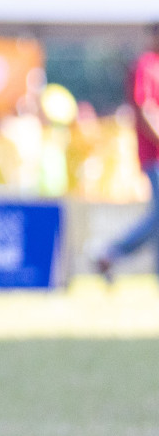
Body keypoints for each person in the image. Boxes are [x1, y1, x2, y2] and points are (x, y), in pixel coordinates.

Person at [94, 25, 159, 282]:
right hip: (154, 155)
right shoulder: (146, 65)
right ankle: (113, 252)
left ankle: (111, 255)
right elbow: (145, 109)